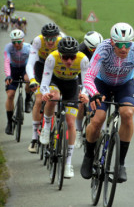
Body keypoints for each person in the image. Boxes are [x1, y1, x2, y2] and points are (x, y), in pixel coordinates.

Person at [80, 22, 134, 183]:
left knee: (127, 114)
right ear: (112, 41)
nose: (123, 48)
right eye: (119, 44)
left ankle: (120, 164)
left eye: (127, 44)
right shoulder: (103, 49)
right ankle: (89, 155)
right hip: (102, 85)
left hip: (124, 85)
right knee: (98, 118)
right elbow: (89, 77)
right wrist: (94, 94)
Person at [40, 36, 89, 178]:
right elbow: (44, 82)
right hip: (55, 81)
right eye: (65, 57)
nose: (69, 61)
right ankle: (47, 127)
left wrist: (84, 94)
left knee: (70, 122)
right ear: (59, 54)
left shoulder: (83, 59)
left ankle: (68, 163)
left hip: (71, 85)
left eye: (72, 57)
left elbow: (86, 83)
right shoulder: (52, 58)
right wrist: (45, 93)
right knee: (53, 97)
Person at [26, 23, 63, 153]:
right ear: (43, 37)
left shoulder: (62, 41)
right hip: (41, 68)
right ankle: (34, 138)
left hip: (56, 69)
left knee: (55, 96)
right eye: (47, 38)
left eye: (53, 38)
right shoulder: (37, 41)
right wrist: (32, 80)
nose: (50, 41)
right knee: (38, 99)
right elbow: (30, 63)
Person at [74, 31, 104, 148]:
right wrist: (81, 89)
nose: (96, 51)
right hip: (81, 76)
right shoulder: (79, 52)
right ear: (87, 46)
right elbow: (77, 72)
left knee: (99, 101)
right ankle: (79, 131)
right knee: (81, 103)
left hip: (96, 77)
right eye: (93, 49)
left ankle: (97, 128)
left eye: (99, 48)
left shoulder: (104, 49)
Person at [4, 29, 32, 134]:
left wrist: (29, 74)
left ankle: (28, 98)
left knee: (28, 79)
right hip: (13, 69)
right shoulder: (8, 48)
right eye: (14, 42)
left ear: (23, 40)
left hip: (25, 67)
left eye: (19, 42)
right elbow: (6, 62)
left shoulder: (28, 47)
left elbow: (32, 62)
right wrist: (8, 76)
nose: (16, 44)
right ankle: (9, 123)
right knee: (10, 95)